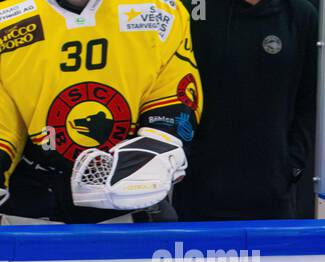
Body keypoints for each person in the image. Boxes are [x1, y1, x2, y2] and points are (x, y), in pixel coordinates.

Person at [0, 0, 202, 224]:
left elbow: (173, 92)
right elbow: (4, 123)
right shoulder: (7, 17)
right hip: (31, 197)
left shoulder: (160, 10)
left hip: (126, 195)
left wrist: (158, 144)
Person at [173, 0, 317, 221]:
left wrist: (293, 164)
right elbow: (172, 90)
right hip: (199, 185)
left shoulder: (300, 14)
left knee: (270, 254)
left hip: (272, 186)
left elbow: (309, 99)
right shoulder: (192, 10)